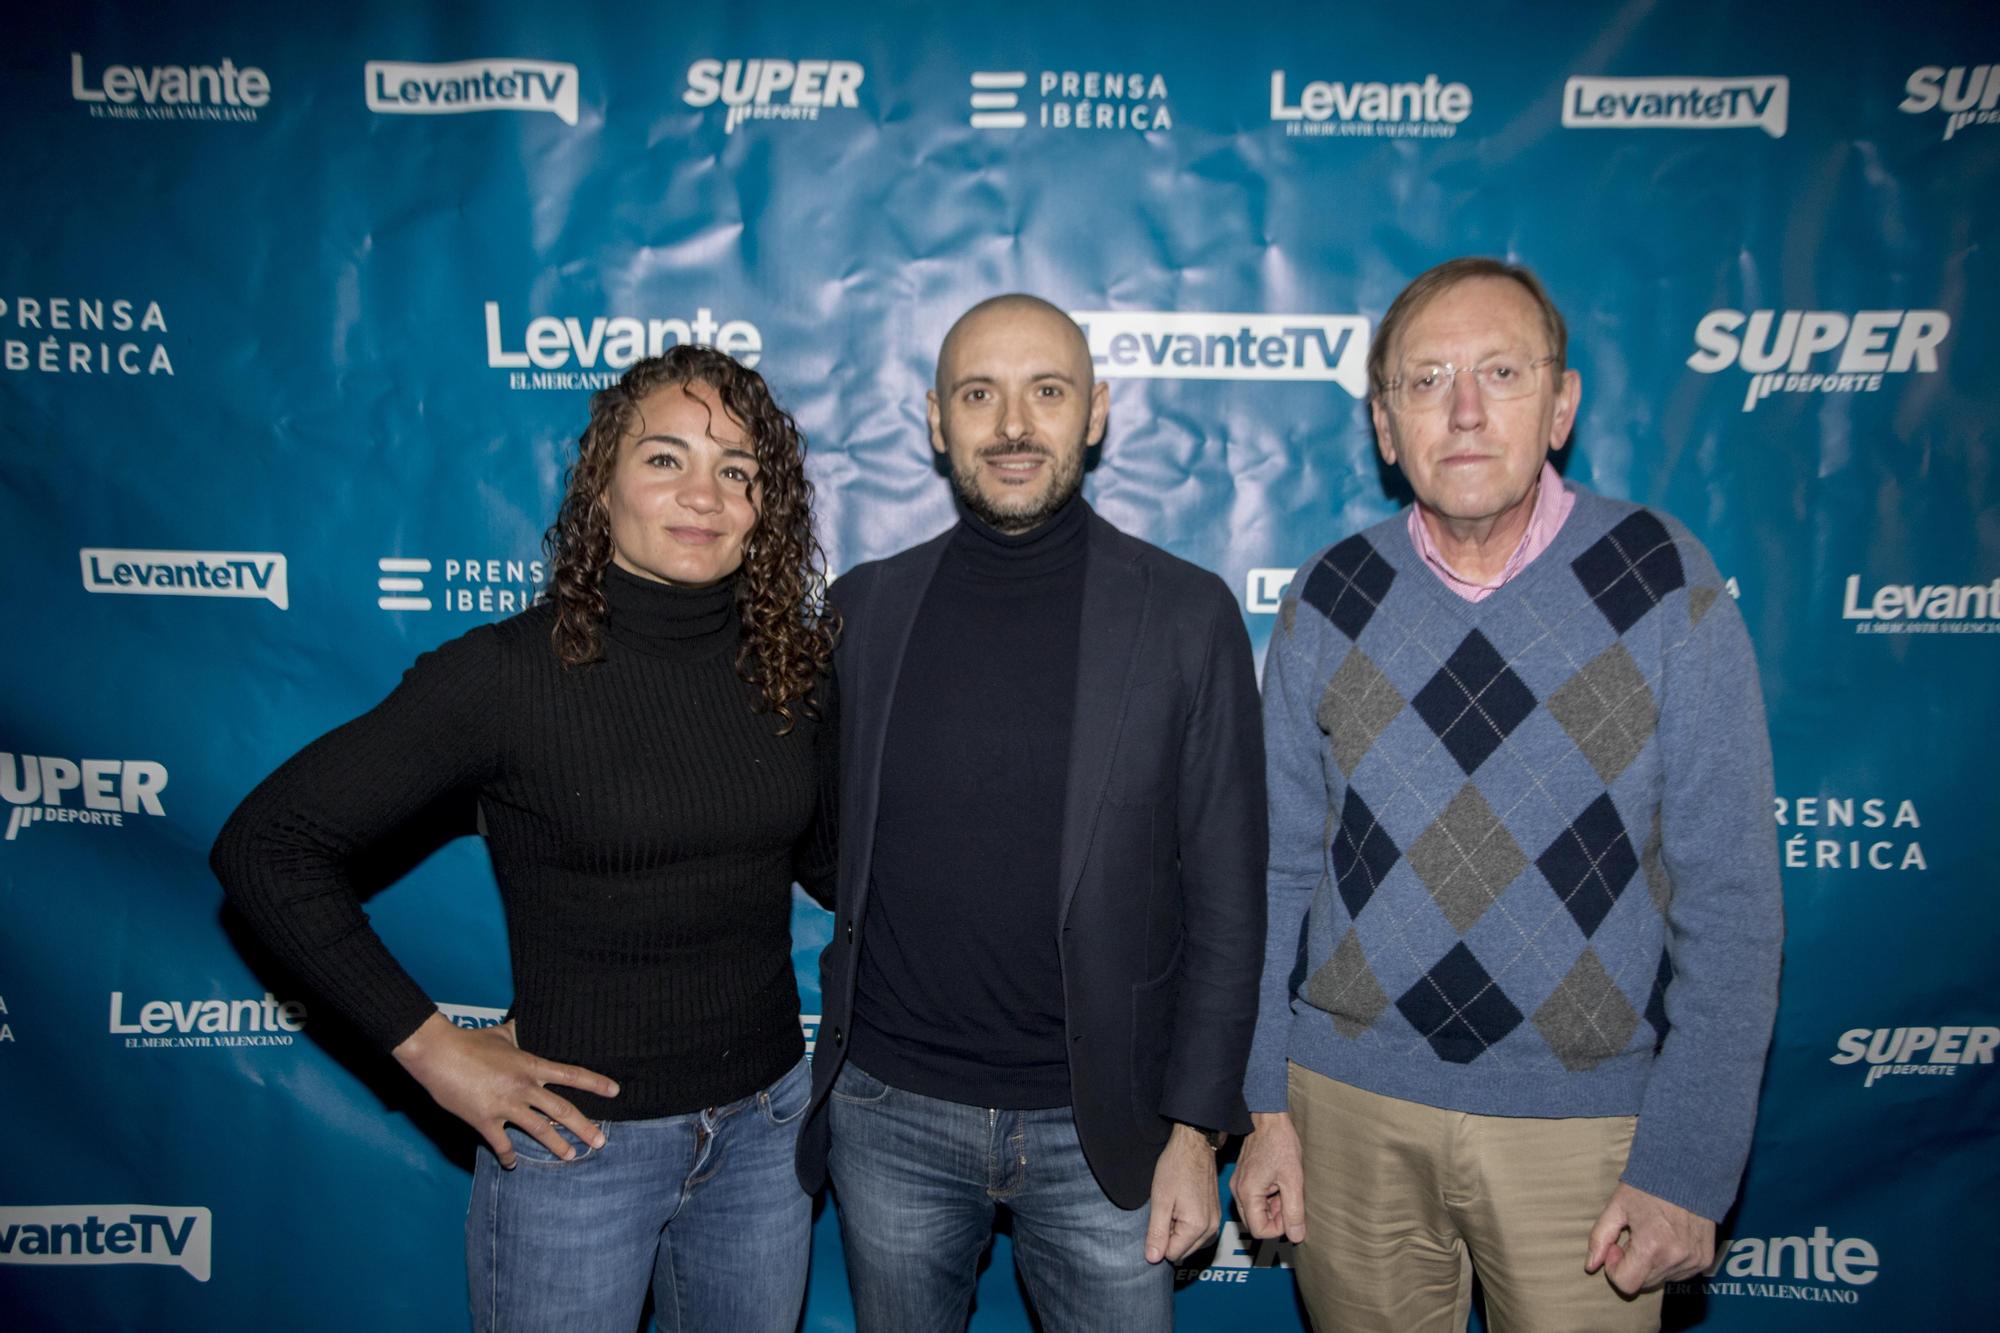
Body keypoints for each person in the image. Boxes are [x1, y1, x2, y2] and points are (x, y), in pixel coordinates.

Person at [211, 346, 837, 1333]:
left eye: (736, 470)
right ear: (602, 487)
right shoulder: (503, 677)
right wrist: (431, 1051)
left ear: (766, 509)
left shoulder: (789, 676)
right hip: (577, 1147)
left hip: (766, 1135)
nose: (703, 494)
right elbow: (267, 845)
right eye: (664, 459)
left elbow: (836, 862)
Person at [1232, 257, 1783, 1332]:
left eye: (1499, 371)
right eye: (1426, 381)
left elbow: (1729, 900)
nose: (1466, 410)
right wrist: (1261, 1103)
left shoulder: (1663, 581)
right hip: (1346, 1116)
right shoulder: (1328, 594)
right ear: (1384, 425)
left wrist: (1687, 1166)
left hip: (1585, 1135)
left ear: (1560, 402)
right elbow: (1272, 868)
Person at [794, 294, 1267, 1332]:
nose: (1012, 425)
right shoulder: (862, 612)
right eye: (979, 394)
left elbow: (1231, 900)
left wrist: (1195, 1128)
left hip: (1106, 1127)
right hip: (889, 1113)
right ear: (934, 420)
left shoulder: (1185, 616)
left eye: (1045, 391)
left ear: (1094, 412)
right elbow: (826, 848)